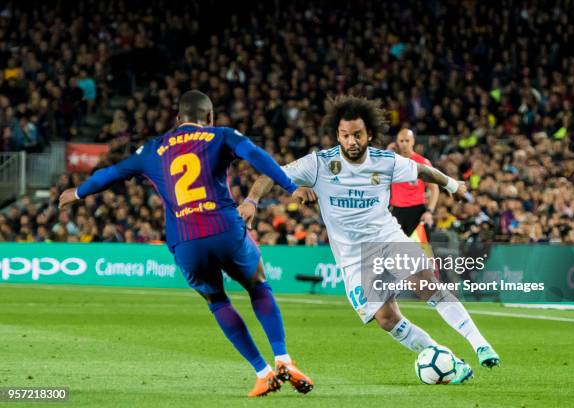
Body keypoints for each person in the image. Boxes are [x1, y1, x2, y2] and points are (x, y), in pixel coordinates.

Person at [59, 90, 314, 397]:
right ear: (209, 117)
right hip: (224, 228)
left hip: (185, 242)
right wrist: (290, 186)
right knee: (257, 285)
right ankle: (283, 358)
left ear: (178, 120)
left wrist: (78, 193)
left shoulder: (152, 149)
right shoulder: (220, 135)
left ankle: (262, 373)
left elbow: (110, 174)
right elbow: (256, 155)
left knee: (218, 301)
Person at [240, 96, 500, 383]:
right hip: (353, 258)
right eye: (345, 135)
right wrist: (252, 199)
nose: (351, 141)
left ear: (369, 135)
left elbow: (423, 171)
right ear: (338, 135)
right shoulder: (320, 163)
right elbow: (271, 174)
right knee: (387, 319)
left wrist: (452, 184)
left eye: (357, 135)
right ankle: (447, 359)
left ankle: (480, 344)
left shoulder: (385, 161)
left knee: (426, 284)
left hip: (387, 239)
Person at [387, 129, 439, 237]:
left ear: (413, 141)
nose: (404, 144)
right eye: (401, 141)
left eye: (407, 140)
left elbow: (434, 189)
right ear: (397, 142)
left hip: (417, 212)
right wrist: (387, 152)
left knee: (421, 251)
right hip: (397, 212)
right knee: (397, 252)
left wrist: (430, 211)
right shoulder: (391, 162)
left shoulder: (423, 162)